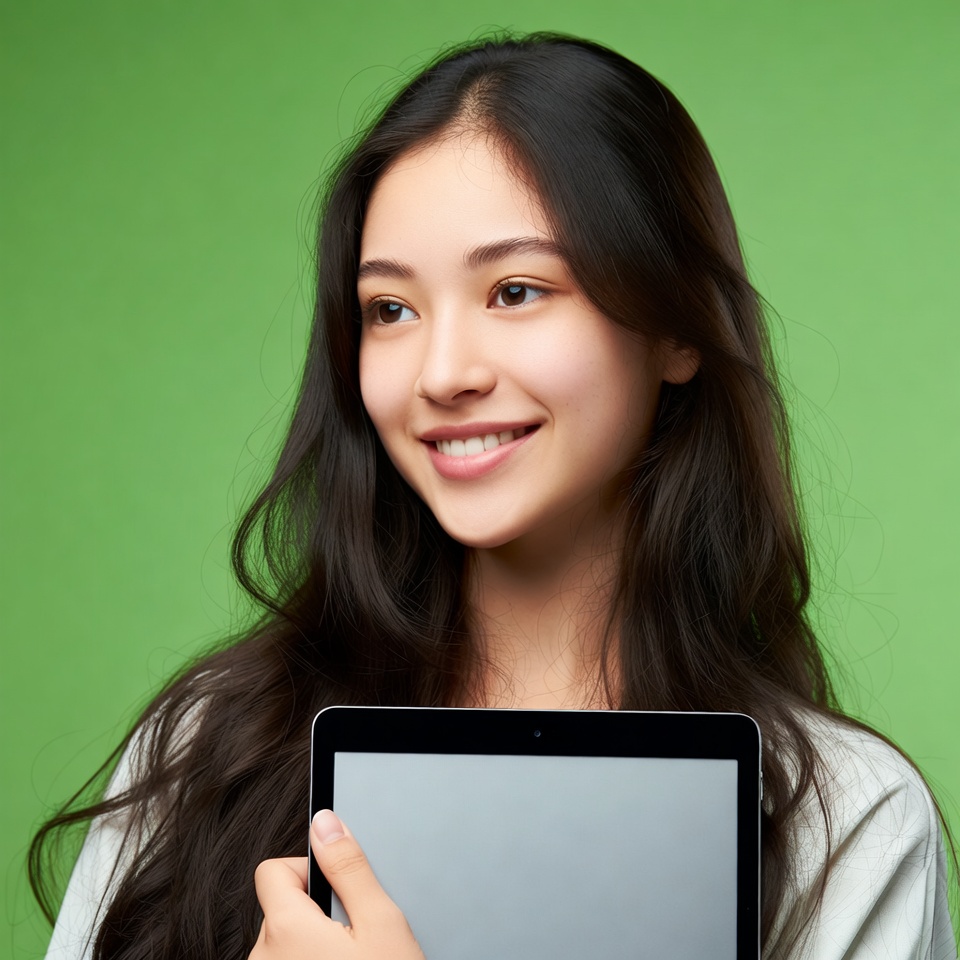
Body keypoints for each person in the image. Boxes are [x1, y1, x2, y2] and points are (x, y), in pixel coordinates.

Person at [32, 32, 957, 960]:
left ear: (677, 330)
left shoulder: (843, 825)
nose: (441, 372)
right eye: (390, 310)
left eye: (515, 290)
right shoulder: (206, 753)